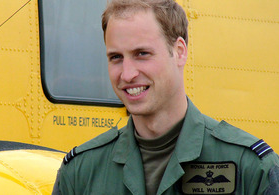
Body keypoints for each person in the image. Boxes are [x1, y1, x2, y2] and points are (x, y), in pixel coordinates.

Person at [52, 0, 279, 194]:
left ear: (179, 51)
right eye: (115, 57)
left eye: (142, 54)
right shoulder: (81, 173)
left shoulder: (250, 167)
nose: (127, 74)